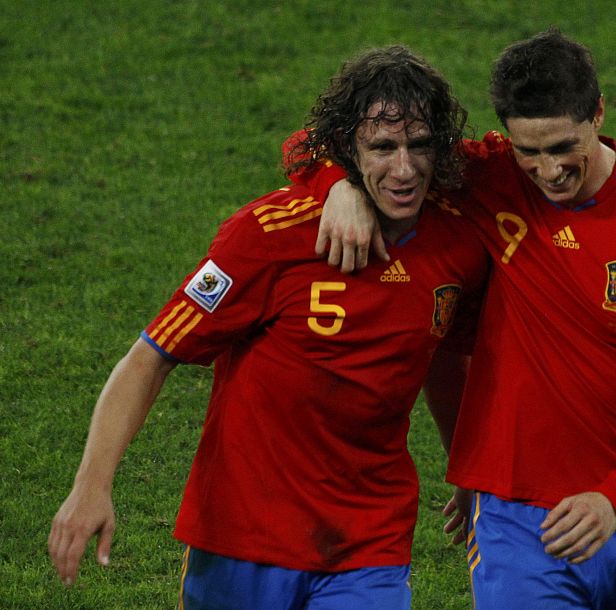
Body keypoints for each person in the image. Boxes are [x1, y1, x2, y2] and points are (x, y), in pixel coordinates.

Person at [48, 45, 489, 609]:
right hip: (242, 535)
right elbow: (149, 356)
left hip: (368, 543)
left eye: (419, 145)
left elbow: (446, 352)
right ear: (348, 150)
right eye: (382, 148)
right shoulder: (268, 236)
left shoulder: (457, 243)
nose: (404, 169)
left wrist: (464, 462)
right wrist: (91, 487)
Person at [296, 28, 616, 610]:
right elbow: (313, 143)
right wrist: (340, 185)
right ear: (505, 134)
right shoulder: (490, 174)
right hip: (515, 510)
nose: (548, 172)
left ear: (598, 113)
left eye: (562, 147)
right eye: (530, 151)